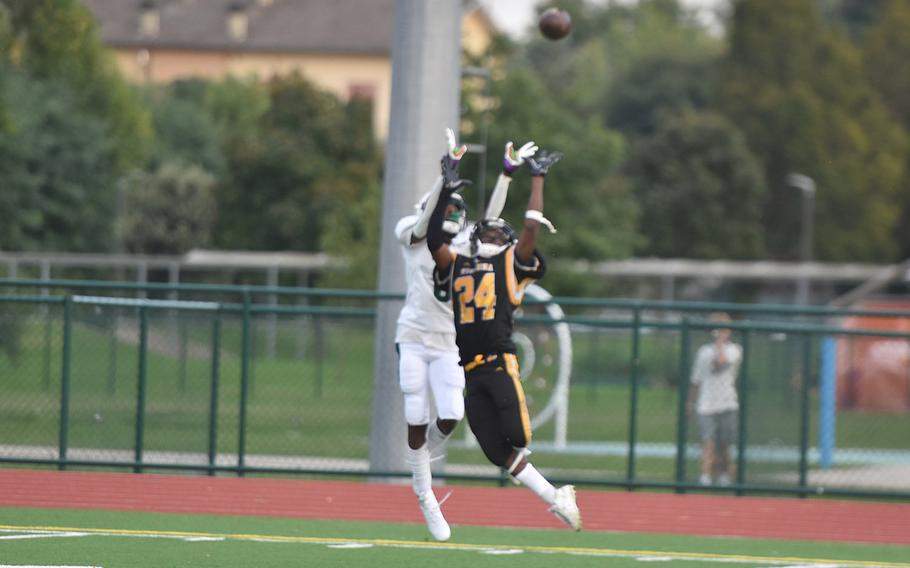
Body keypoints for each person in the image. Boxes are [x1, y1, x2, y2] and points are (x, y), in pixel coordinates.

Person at [426, 145, 582, 531]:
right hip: (471, 372)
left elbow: (530, 226)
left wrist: (538, 177)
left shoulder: (511, 263)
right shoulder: (460, 263)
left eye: (500, 231)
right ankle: (557, 497)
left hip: (499, 363)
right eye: (489, 229)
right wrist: (445, 190)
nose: (494, 232)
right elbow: (434, 242)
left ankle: (557, 495)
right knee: (498, 452)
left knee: (518, 435)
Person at [394, 128, 538, 542]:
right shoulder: (413, 231)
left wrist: (507, 174)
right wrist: (445, 179)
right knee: (415, 411)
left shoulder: (459, 242)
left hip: (449, 343)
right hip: (414, 335)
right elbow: (424, 227)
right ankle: (424, 490)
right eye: (447, 206)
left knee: (452, 413)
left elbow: (490, 225)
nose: (455, 216)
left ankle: (422, 456)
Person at [688, 312, 742, 486]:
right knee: (708, 441)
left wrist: (720, 343)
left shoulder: (735, 350)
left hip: (727, 403)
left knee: (725, 443)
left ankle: (724, 473)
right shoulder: (703, 351)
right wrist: (690, 401)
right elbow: (696, 380)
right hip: (706, 403)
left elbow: (721, 361)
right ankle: (705, 475)